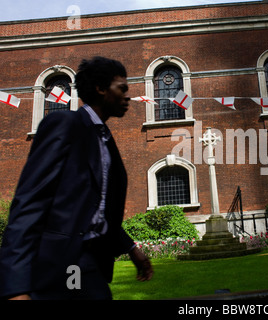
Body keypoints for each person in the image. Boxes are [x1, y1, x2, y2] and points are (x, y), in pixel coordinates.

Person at [0, 56, 153, 300]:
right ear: (101, 89)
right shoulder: (65, 124)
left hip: (90, 262)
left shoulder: (105, 139)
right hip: (62, 263)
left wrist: (131, 248)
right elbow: (29, 203)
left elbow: (94, 209)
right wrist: (15, 288)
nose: (128, 97)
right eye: (122, 88)